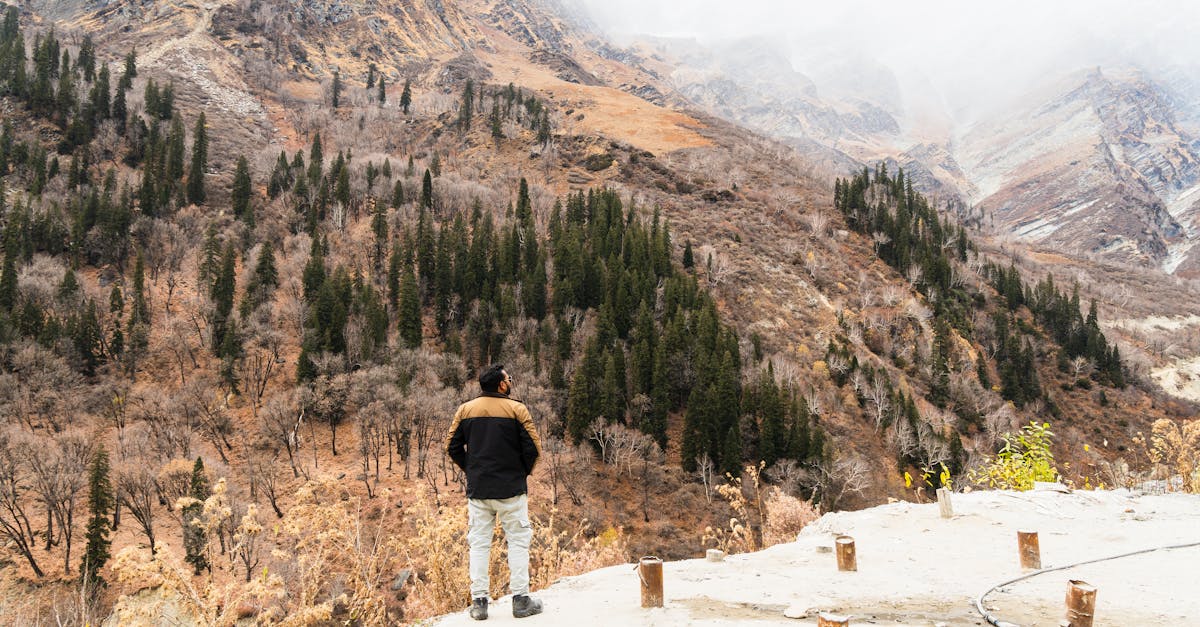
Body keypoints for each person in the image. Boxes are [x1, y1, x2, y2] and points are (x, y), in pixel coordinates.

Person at [445, 364, 544, 620]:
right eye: (508, 379)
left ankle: (479, 604)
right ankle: (521, 600)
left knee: (478, 544)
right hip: (511, 488)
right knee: (518, 542)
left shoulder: (465, 410)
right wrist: (521, 472)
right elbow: (533, 448)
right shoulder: (517, 409)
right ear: (502, 385)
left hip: (480, 489)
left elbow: (452, 446)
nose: (510, 381)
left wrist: (472, 469)